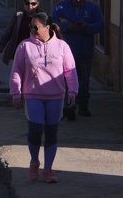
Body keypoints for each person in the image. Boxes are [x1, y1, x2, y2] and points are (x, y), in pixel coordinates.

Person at [10, 12, 78, 183]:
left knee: (51, 133)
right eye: (30, 27)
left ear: (47, 27)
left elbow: (70, 70)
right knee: (35, 130)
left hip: (56, 96)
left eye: (36, 27)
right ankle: (34, 161)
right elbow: (17, 70)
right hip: (33, 95)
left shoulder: (62, 46)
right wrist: (16, 92)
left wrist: (72, 91)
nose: (32, 30)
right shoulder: (25, 46)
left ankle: (48, 169)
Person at [52, 0, 105, 118]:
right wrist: (66, 26)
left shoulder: (93, 7)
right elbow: (53, 22)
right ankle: (69, 106)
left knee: (84, 80)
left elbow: (100, 24)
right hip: (66, 51)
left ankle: (83, 105)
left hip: (85, 51)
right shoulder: (61, 5)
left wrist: (86, 27)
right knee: (67, 79)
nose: (78, 1)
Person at [0, 0, 40, 65]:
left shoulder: (41, 16)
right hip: (20, 50)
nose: (30, 6)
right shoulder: (19, 16)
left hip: (36, 51)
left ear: (37, 4)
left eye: (33, 4)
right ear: (24, 4)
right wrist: (1, 46)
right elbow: (8, 31)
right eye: (27, 3)